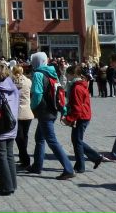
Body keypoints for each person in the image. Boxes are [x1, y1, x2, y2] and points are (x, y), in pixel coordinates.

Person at [26, 51, 74, 179]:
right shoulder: (52, 72)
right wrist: (63, 110)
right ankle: (37, 165)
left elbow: (37, 94)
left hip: (44, 112)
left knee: (51, 141)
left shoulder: (38, 74)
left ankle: (68, 168)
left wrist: (31, 107)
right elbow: (59, 92)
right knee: (39, 138)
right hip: (52, 110)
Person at [0, 62, 19, 195]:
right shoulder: (14, 88)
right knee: (9, 155)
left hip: (0, 127)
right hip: (12, 125)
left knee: (1, 156)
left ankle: (6, 187)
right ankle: (12, 183)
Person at [63, 64, 101, 173]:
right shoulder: (80, 84)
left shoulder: (77, 87)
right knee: (77, 140)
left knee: (77, 141)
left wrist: (69, 119)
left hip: (81, 116)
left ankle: (81, 165)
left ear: (73, 74)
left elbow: (77, 107)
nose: (67, 76)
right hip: (84, 115)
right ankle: (94, 158)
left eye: (68, 74)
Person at [11, 65, 33, 169]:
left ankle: (25, 158)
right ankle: (23, 156)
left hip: (17, 113)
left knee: (19, 137)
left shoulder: (11, 82)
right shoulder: (28, 81)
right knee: (25, 135)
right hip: (27, 112)